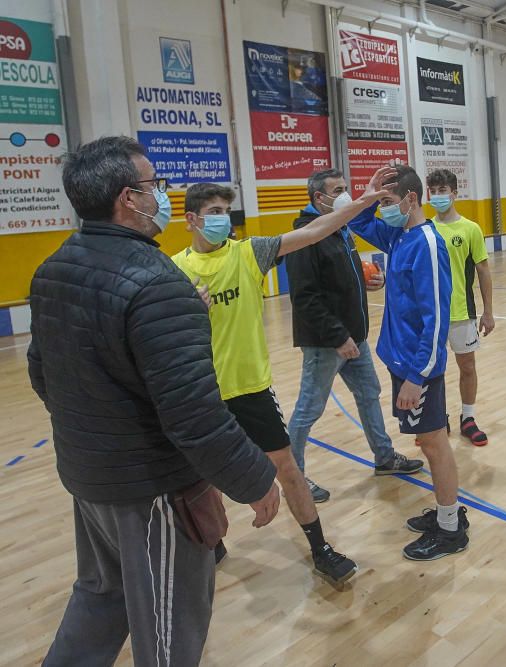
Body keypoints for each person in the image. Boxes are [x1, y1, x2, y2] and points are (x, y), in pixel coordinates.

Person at [29, 136, 281, 667]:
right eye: (154, 186)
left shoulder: (54, 268)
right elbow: (194, 413)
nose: (162, 195)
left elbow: (42, 374)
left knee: (102, 597)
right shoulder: (158, 283)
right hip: (151, 492)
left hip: (87, 476)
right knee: (169, 631)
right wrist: (254, 478)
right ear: (129, 198)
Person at [171, 169, 394, 584]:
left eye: (225, 210)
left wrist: (363, 203)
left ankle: (320, 547)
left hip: (251, 389)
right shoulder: (174, 272)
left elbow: (312, 232)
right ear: (191, 219)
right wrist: (188, 311)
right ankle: (213, 539)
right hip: (203, 392)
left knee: (287, 469)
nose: (221, 218)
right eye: (212, 211)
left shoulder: (248, 252)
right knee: (202, 475)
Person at [347, 164, 470, 561]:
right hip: (401, 362)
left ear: (411, 199)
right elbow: (361, 223)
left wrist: (417, 376)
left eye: (387, 202)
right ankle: (446, 512)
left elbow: (437, 320)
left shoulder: (428, 245)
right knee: (426, 440)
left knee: (433, 443)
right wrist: (369, 195)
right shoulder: (399, 235)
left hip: (418, 369)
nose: (382, 209)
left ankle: (451, 527)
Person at [285, 169, 423, 504]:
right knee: (308, 408)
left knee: (368, 393)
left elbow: (338, 281)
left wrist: (367, 283)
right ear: (319, 198)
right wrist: (338, 336)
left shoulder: (338, 227)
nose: (345, 194)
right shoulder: (306, 236)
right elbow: (305, 297)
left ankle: (385, 457)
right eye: (338, 190)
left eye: (346, 188)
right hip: (327, 341)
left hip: (353, 337)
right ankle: (294, 478)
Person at [427, 168, 495, 446]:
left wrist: (488, 311)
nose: (438, 195)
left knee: (467, 366)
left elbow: (483, 269)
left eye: (443, 190)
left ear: (454, 193)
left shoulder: (470, 229)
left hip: (462, 312)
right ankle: (436, 418)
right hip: (431, 315)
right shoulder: (425, 229)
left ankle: (468, 418)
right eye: (434, 190)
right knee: (433, 370)